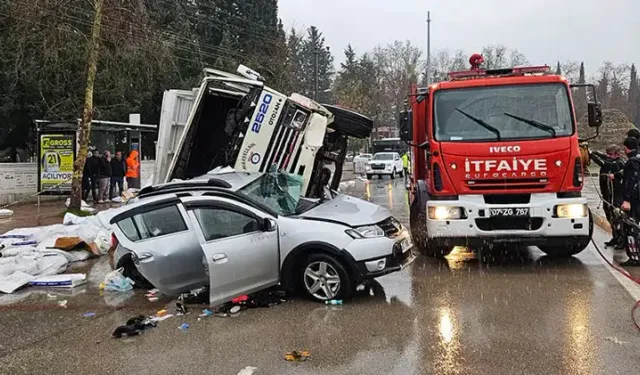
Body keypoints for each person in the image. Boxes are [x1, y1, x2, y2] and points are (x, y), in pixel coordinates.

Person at [598, 145, 625, 248]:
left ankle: (621, 239)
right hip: (607, 194)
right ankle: (615, 237)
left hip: (615, 194)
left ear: (617, 154)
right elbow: (603, 159)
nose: (608, 156)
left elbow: (604, 163)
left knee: (617, 217)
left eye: (610, 154)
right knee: (609, 215)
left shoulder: (618, 163)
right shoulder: (609, 162)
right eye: (607, 154)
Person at [620, 137, 640, 266]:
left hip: (635, 199)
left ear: (626, 148)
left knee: (631, 227)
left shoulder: (631, 162)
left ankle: (635, 257)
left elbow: (631, 182)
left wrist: (627, 199)